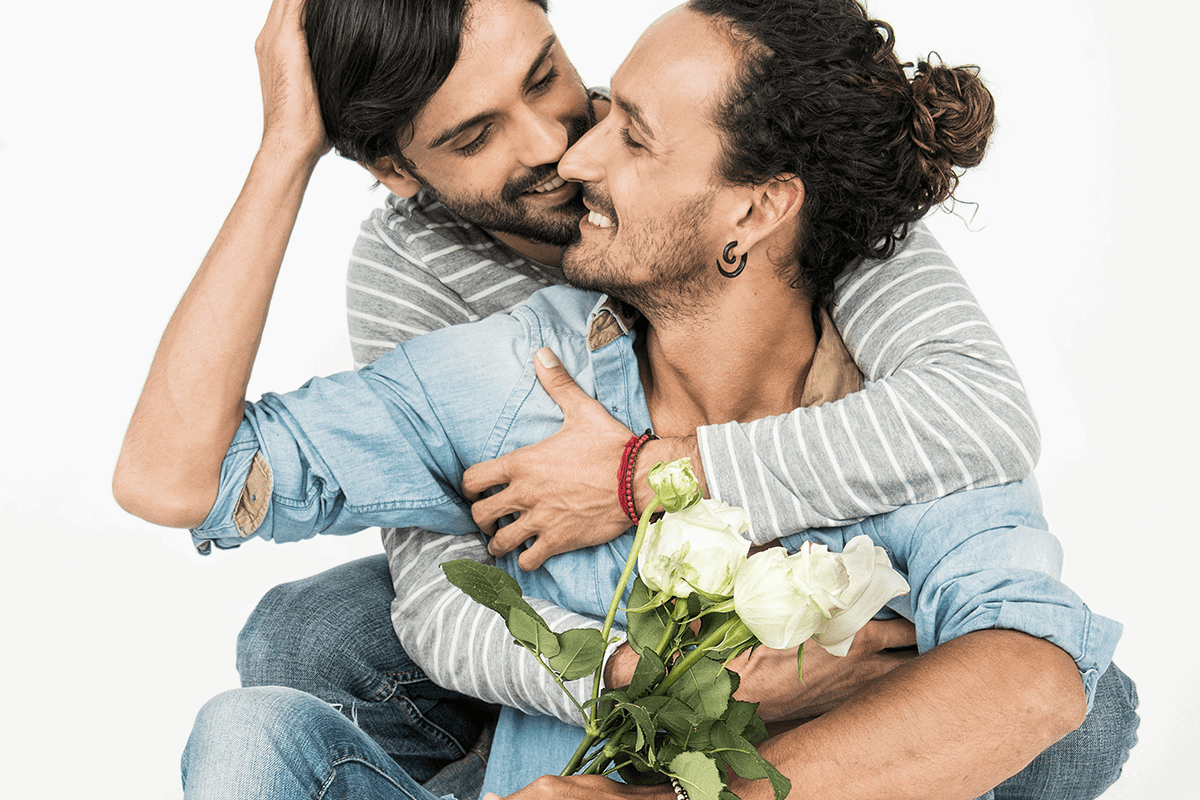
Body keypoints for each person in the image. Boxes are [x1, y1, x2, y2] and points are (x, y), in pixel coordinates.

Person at [113, 1, 1136, 798]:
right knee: (297, 649)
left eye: (595, 107)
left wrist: (640, 476)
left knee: (1078, 694)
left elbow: (982, 434)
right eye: (474, 134)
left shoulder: (840, 233)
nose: (571, 148)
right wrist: (649, 673)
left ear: (763, 206)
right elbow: (197, 484)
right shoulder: (509, 363)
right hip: (541, 646)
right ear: (399, 172)